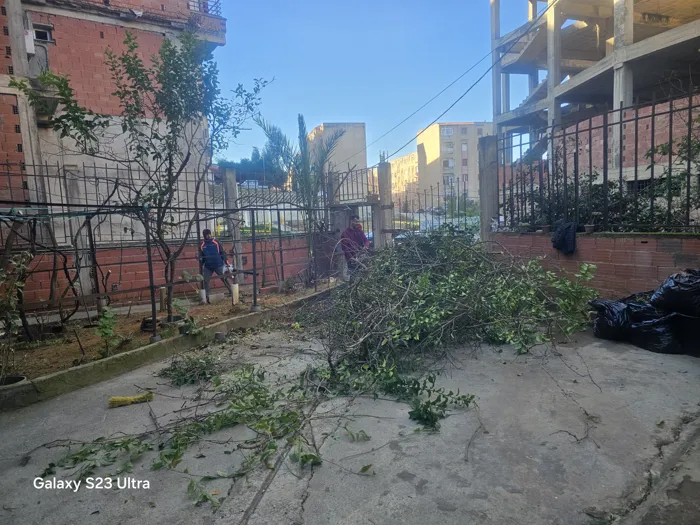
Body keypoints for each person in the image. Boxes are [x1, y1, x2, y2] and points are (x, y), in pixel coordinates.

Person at [200, 228, 232, 303]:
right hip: (208, 266)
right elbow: (202, 257)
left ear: (210, 234)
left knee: (224, 278)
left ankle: (231, 291)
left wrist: (226, 262)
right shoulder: (202, 245)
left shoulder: (216, 242)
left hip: (218, 264)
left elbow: (222, 252)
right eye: (206, 235)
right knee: (206, 281)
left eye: (208, 234)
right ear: (204, 236)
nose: (208, 236)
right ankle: (207, 296)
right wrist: (201, 265)